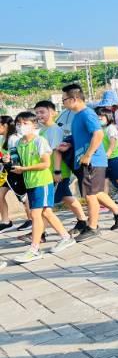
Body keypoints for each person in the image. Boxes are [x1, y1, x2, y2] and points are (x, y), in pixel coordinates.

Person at [61, 84, 118, 240]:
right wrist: (69, 143)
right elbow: (83, 136)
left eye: (64, 99)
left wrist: (88, 155)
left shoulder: (87, 114)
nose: (63, 103)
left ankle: (93, 227)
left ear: (74, 99)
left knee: (90, 195)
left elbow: (97, 135)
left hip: (93, 161)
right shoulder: (78, 116)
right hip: (87, 161)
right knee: (96, 193)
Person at [11, 112, 76, 263]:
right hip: (30, 183)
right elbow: (19, 162)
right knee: (46, 212)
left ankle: (34, 249)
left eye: (25, 123)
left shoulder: (40, 141)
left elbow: (46, 164)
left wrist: (25, 169)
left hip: (42, 182)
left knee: (35, 214)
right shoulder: (19, 143)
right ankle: (66, 237)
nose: (21, 126)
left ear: (34, 125)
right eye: (19, 123)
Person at [34, 101, 88, 235]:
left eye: (42, 112)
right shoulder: (42, 130)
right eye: (37, 113)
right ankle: (83, 221)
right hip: (48, 170)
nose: (39, 115)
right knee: (65, 196)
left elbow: (57, 151)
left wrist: (57, 171)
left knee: (46, 205)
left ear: (52, 112)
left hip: (58, 170)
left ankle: (40, 233)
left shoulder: (54, 129)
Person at [0, 116, 27, 233]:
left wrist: (10, 160)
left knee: (24, 198)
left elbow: (17, 156)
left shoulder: (14, 138)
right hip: (7, 172)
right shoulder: (3, 139)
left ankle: (33, 220)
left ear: (5, 125)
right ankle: (6, 222)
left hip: (16, 172)